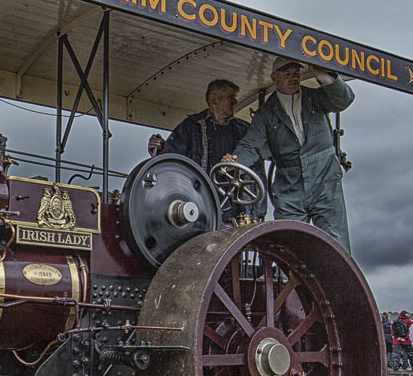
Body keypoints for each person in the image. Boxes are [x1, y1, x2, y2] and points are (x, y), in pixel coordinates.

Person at [223, 57, 356, 252]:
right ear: (274, 77)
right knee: (289, 243)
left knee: (335, 241)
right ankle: (291, 281)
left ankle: (339, 281)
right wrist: (234, 163)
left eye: (296, 74)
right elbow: (251, 145)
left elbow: (344, 100)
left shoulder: (315, 98)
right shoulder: (266, 113)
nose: (293, 78)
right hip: (290, 183)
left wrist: (322, 74)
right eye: (287, 74)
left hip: (324, 177)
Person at [147, 79, 266, 222]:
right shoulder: (191, 127)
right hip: (199, 203)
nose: (235, 102)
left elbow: (257, 172)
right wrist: (161, 148)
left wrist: (259, 211)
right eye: (231, 97)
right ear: (214, 99)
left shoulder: (244, 130)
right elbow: (174, 157)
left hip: (238, 208)